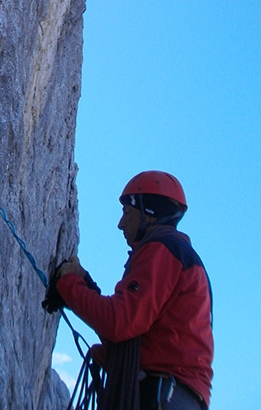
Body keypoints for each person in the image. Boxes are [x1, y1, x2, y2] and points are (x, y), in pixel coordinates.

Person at [44, 171, 213, 409]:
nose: (120, 224)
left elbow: (119, 322)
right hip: (172, 395)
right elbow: (132, 332)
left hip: (161, 395)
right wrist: (85, 285)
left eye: (127, 212)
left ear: (149, 213)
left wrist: (69, 285)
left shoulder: (163, 251)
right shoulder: (178, 256)